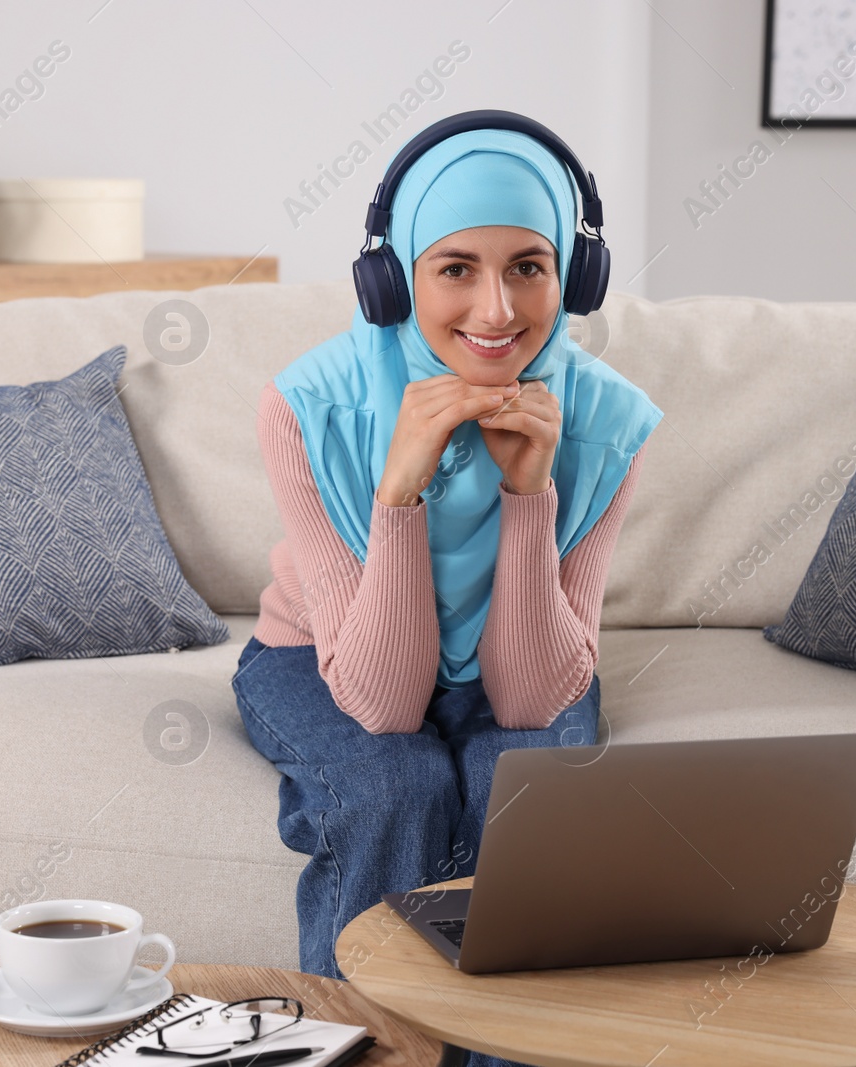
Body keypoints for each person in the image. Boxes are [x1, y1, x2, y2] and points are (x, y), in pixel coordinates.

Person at [230, 122, 662, 1067]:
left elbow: (532, 698)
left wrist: (526, 496)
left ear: (574, 279)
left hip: (523, 659)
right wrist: (399, 494)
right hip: (322, 657)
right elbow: (382, 706)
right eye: (456, 268)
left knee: (521, 805)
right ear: (395, 280)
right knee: (395, 784)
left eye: (531, 267)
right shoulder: (309, 408)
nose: (498, 309)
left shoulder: (607, 420)